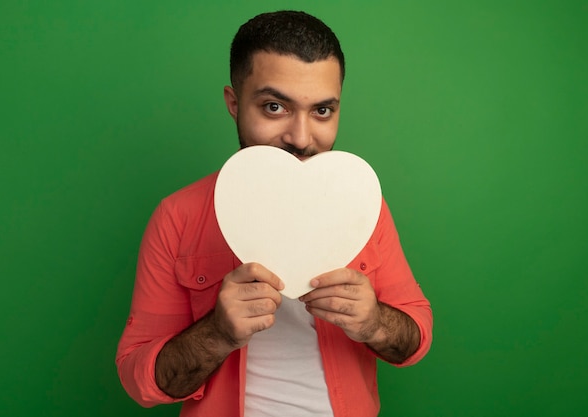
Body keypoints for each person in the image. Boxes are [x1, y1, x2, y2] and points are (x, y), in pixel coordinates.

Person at [116, 10, 432, 417]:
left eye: (322, 111)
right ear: (234, 103)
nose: (300, 139)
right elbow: (139, 381)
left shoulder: (364, 207)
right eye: (274, 107)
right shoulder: (178, 216)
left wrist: (374, 322)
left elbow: (416, 336)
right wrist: (217, 333)